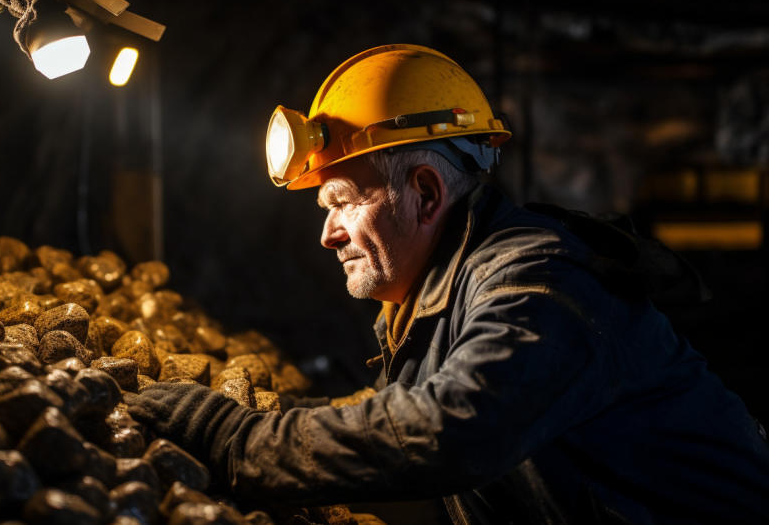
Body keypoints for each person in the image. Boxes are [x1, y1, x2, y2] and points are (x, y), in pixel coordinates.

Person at [126, 44, 769, 523]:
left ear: (426, 192)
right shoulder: (439, 295)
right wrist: (273, 418)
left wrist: (241, 443)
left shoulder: (538, 282)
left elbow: (454, 427)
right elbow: (393, 422)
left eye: (343, 202)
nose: (328, 234)